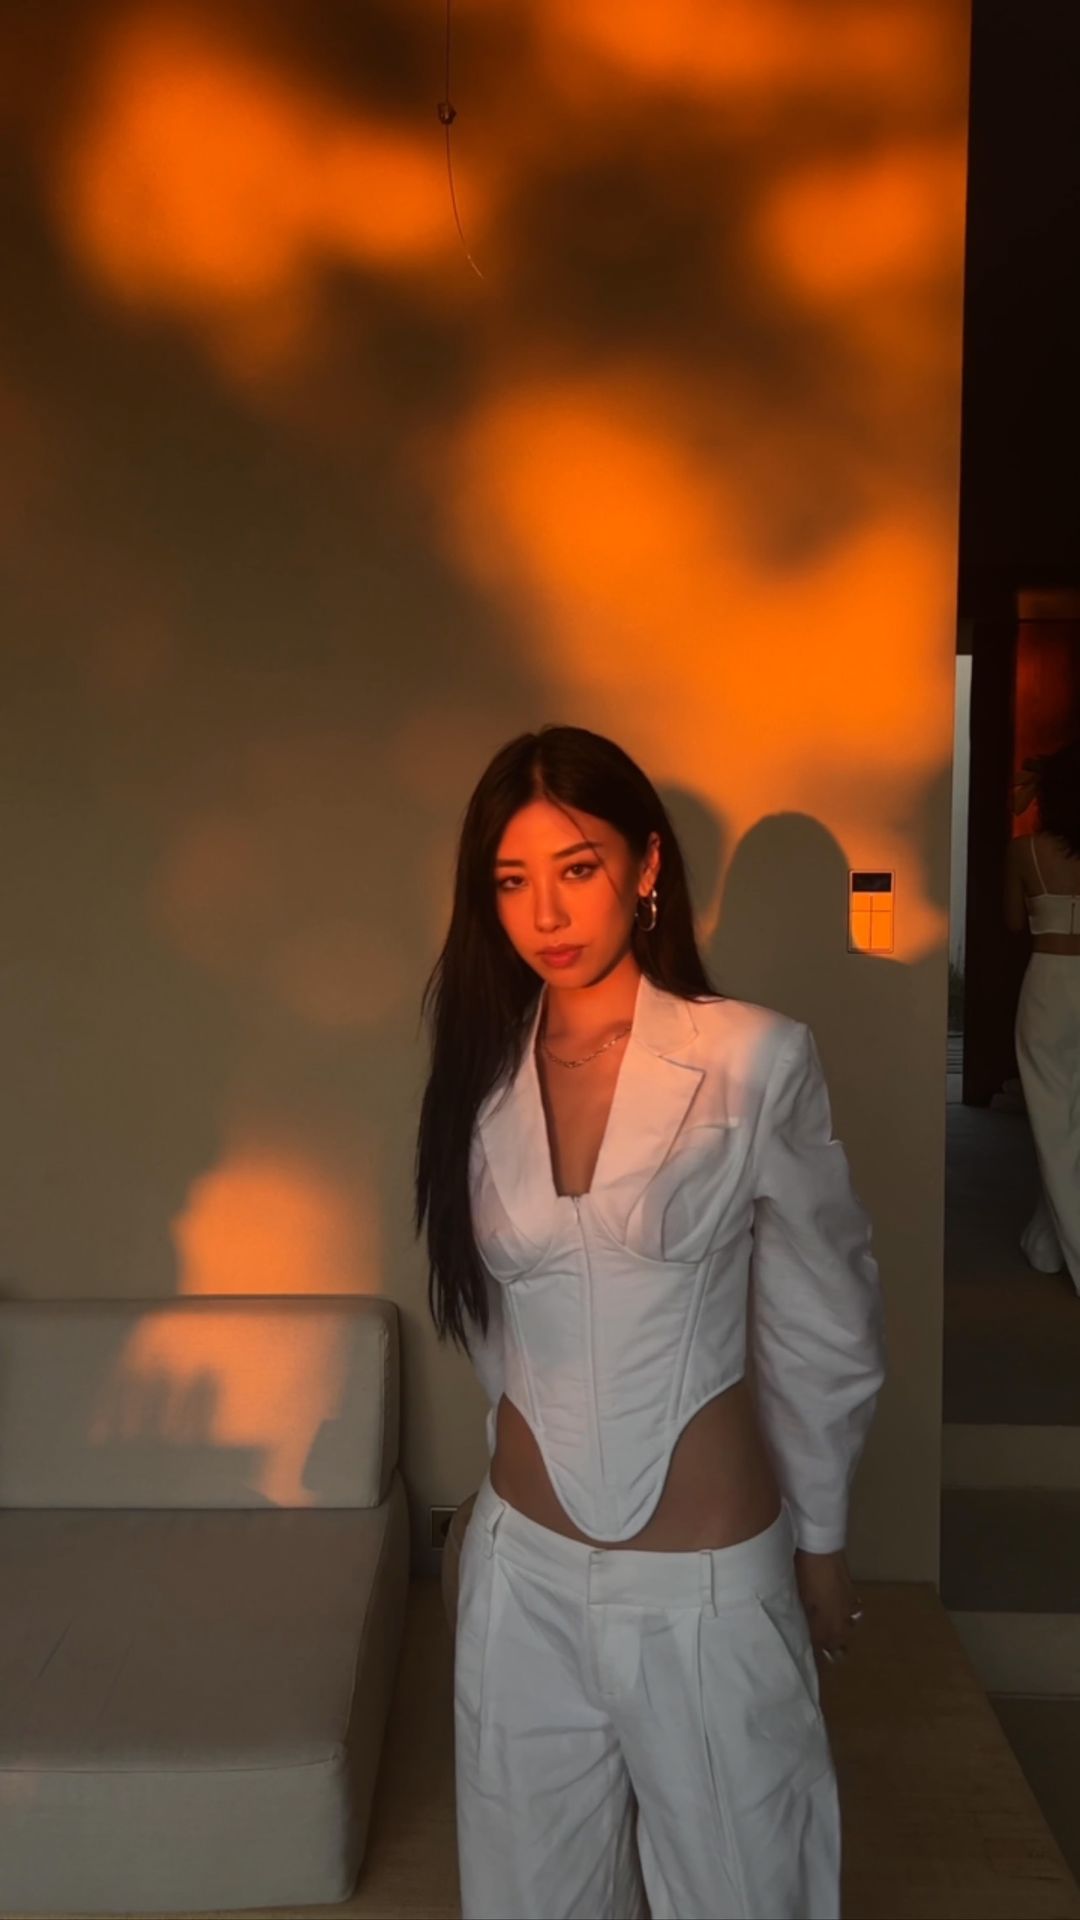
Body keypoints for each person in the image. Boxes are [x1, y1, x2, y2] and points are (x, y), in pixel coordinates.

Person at [414, 725, 886, 1920]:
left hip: (706, 1588)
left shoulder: (753, 1059)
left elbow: (822, 1318)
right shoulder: (480, 1076)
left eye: (577, 867)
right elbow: (499, 1330)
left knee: (748, 1890)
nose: (546, 913)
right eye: (511, 881)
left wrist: (822, 1540)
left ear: (647, 865)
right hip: (519, 1580)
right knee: (529, 1900)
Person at [1005, 739, 1080, 1295]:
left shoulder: (1024, 851)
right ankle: (1047, 1243)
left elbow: (1012, 921)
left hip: (1050, 982)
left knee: (1055, 1121)